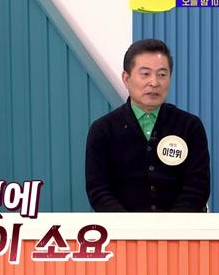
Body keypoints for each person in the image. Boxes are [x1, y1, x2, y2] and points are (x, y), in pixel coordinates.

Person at [85, 39, 210, 212]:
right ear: (126, 78)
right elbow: (98, 190)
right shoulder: (102, 130)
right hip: (123, 227)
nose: (154, 82)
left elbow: (197, 186)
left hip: (180, 226)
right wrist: (129, 226)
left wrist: (173, 225)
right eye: (145, 74)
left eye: (162, 74)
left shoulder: (190, 126)